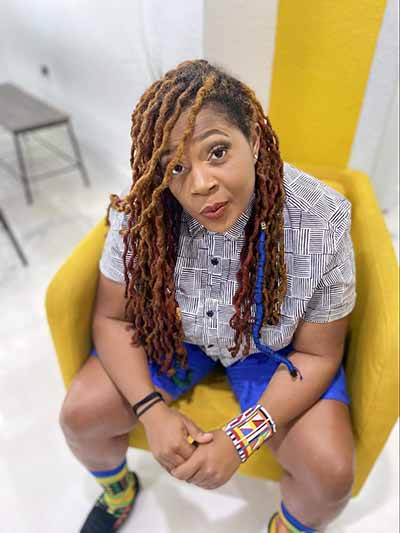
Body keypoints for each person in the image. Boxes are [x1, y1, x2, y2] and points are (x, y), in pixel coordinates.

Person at [59, 59, 357, 533]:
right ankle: (119, 491)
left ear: (253, 139)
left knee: (332, 472)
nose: (200, 184)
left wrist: (240, 438)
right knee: (80, 415)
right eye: (176, 166)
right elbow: (112, 319)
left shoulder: (321, 219)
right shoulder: (144, 211)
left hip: (271, 352)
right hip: (179, 338)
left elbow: (320, 353)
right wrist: (151, 412)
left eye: (217, 152)